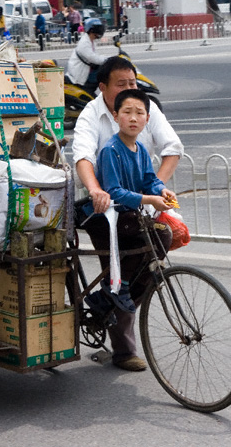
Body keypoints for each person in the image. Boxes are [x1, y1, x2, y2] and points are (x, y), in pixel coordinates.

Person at [73, 56, 183, 372]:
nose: (129, 90)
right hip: (105, 209)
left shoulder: (143, 107)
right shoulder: (93, 116)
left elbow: (171, 148)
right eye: (121, 84)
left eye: (132, 83)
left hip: (141, 205)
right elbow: (83, 156)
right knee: (118, 265)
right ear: (103, 88)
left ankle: (107, 302)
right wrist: (96, 191)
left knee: (159, 242)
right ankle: (123, 350)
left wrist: (158, 191)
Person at [81, 88, 177, 315]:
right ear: (115, 116)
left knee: (164, 234)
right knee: (150, 235)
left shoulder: (141, 149)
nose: (133, 118)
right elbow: (113, 192)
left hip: (129, 214)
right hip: (111, 216)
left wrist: (162, 191)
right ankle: (119, 286)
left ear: (148, 118)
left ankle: (121, 291)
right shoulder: (110, 150)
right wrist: (149, 199)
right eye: (127, 112)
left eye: (139, 113)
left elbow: (149, 180)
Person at [65, 18, 107, 91]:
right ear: (91, 30)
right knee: (105, 74)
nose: (100, 30)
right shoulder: (84, 43)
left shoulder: (91, 41)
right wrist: (109, 60)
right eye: (98, 28)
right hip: (80, 75)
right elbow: (93, 58)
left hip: (86, 71)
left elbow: (96, 56)